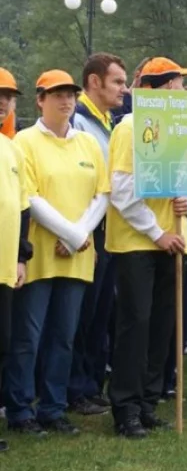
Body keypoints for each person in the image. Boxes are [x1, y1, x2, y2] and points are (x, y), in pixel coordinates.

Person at [4, 70, 109, 436]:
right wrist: (71, 231)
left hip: (77, 255)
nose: (66, 101)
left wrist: (80, 234)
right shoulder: (24, 141)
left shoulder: (88, 144)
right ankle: (20, 409)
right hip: (40, 255)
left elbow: (103, 193)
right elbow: (29, 197)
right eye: (57, 95)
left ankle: (53, 407)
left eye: (71, 95)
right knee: (28, 337)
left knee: (64, 337)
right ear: (40, 100)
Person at [107, 57, 187, 438]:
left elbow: (186, 179)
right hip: (137, 243)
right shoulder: (128, 128)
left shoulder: (175, 128)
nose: (179, 93)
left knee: (162, 325)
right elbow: (123, 190)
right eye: (173, 86)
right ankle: (125, 406)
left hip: (170, 239)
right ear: (154, 90)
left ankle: (147, 400)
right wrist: (157, 233)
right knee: (136, 324)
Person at [67, 53, 129, 417]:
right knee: (83, 314)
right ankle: (76, 388)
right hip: (85, 231)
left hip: (109, 231)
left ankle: (92, 384)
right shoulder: (78, 122)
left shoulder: (109, 121)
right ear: (94, 82)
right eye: (118, 82)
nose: (124, 89)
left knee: (103, 312)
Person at [0, 66, 29, 452]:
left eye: (7, 97)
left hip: (6, 268)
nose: (3, 102)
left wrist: (22, 257)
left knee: (3, 344)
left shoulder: (10, 146)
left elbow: (21, 207)